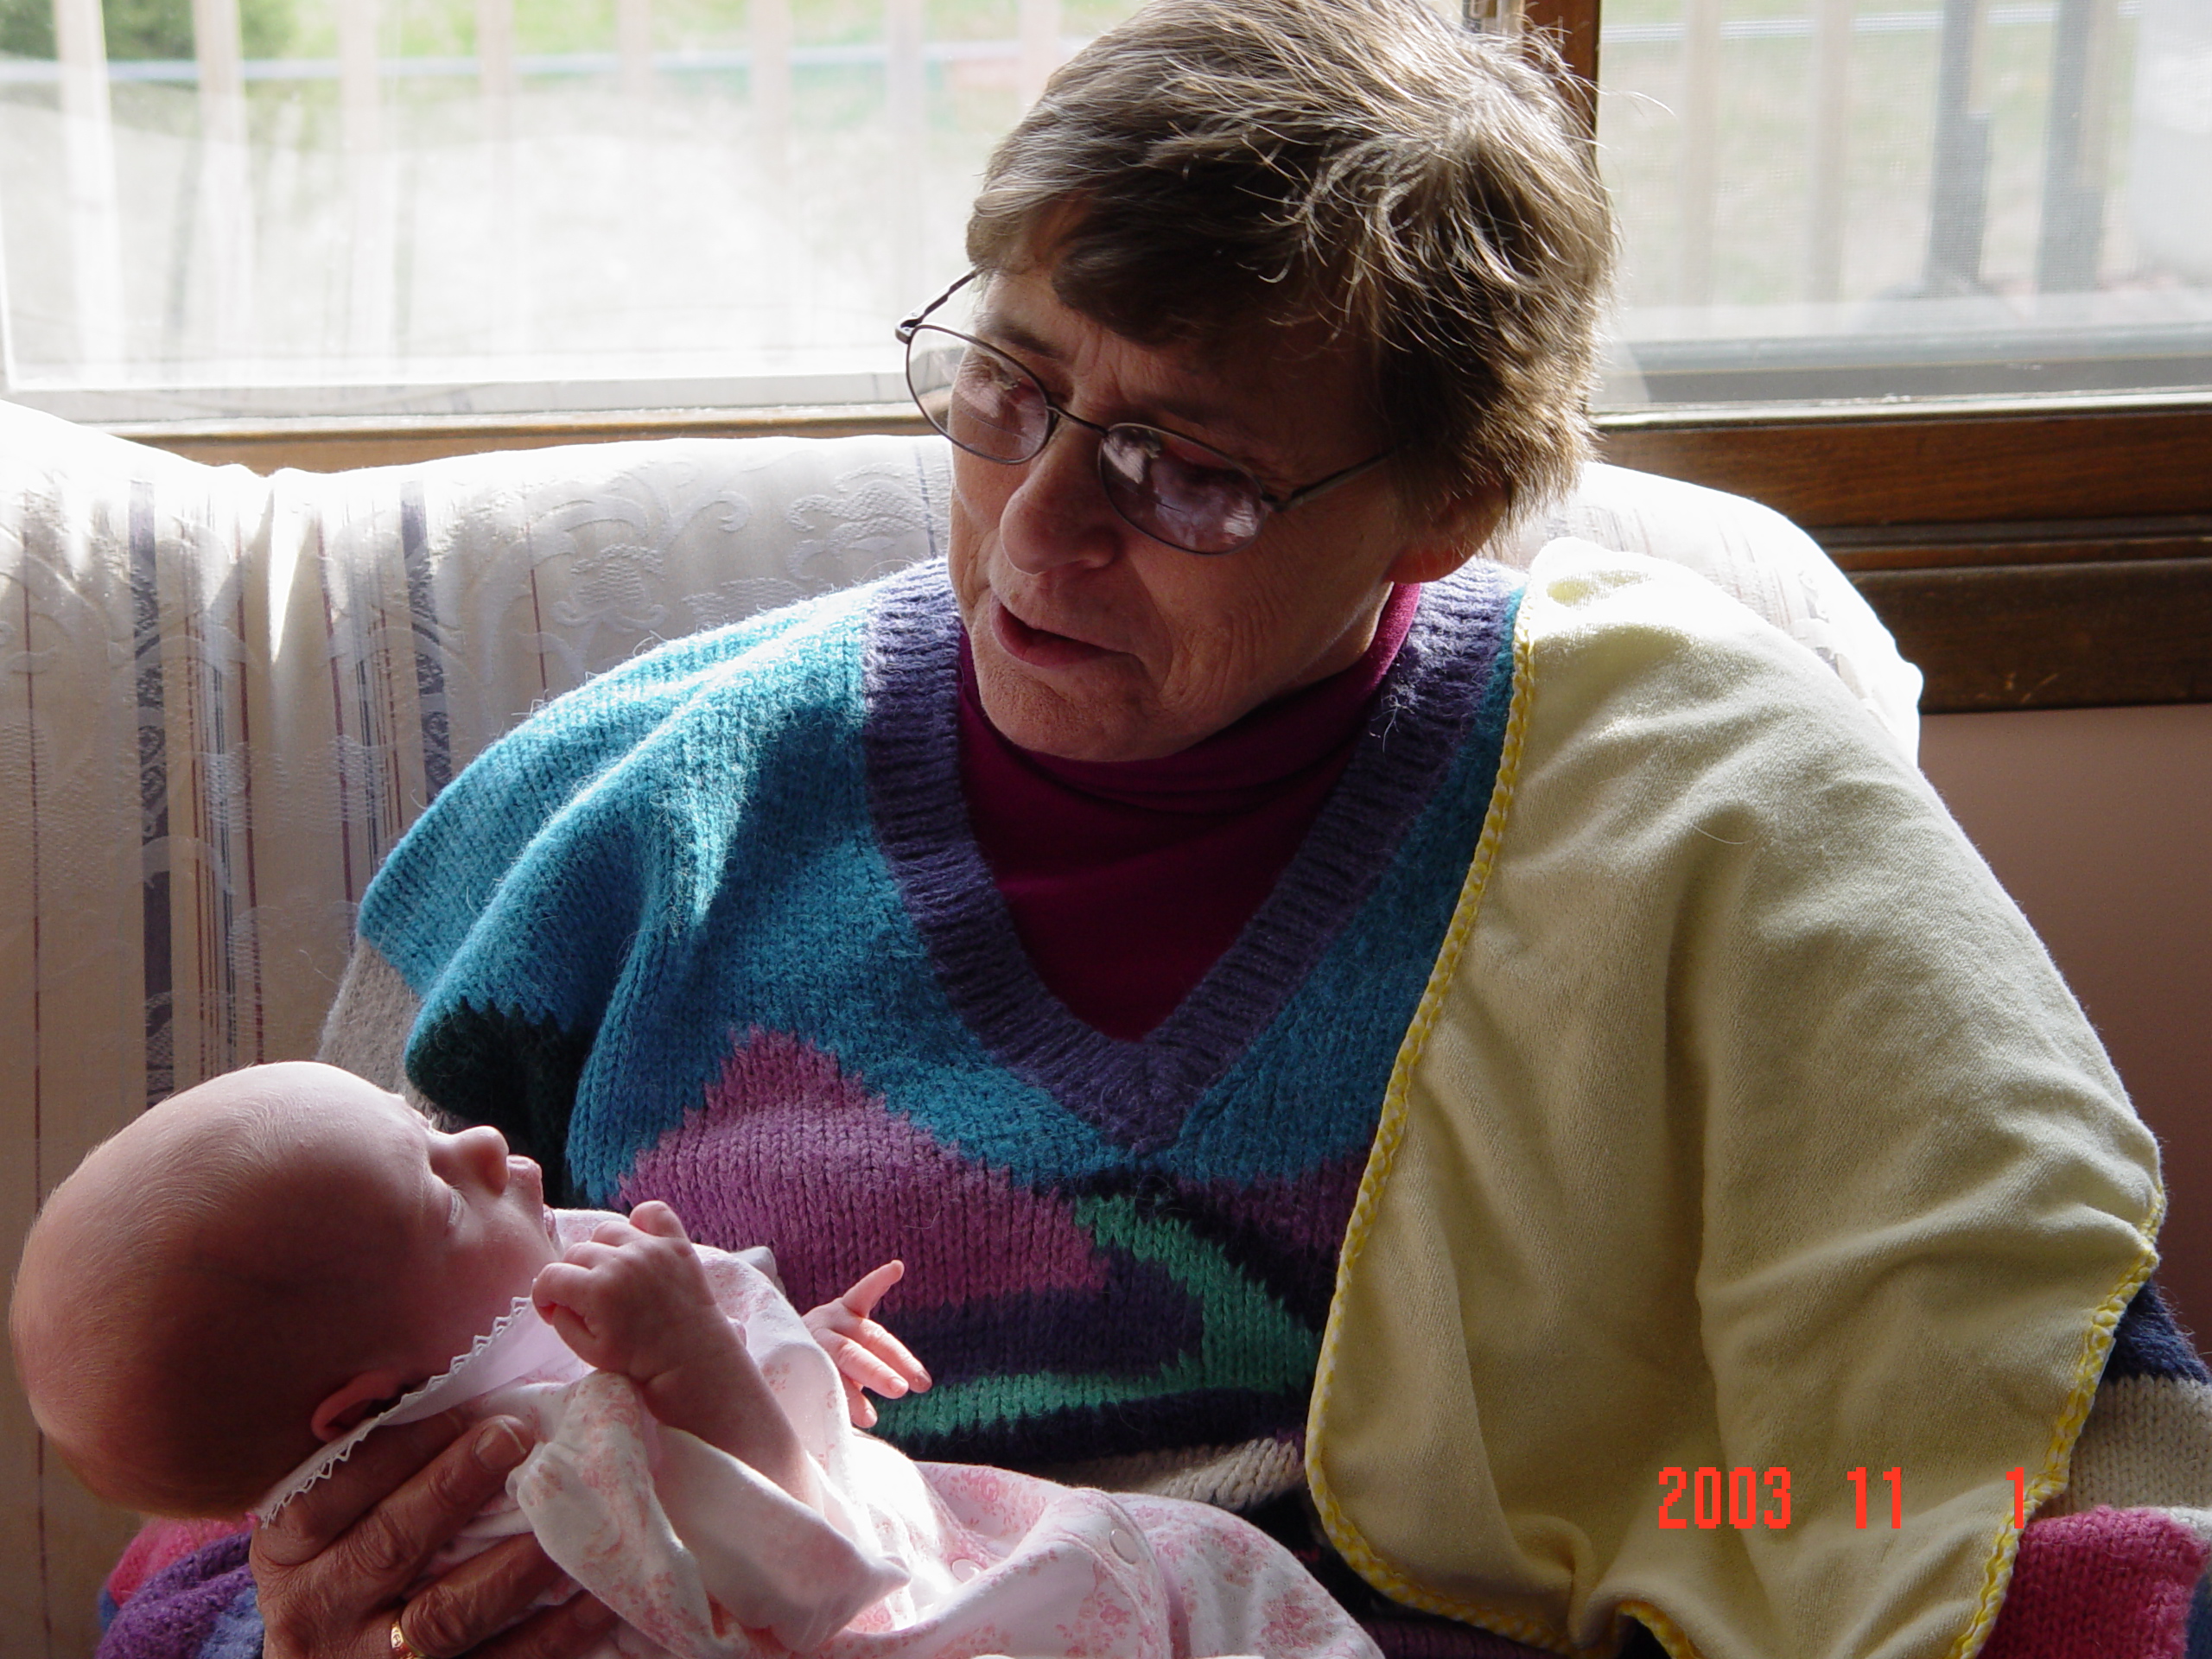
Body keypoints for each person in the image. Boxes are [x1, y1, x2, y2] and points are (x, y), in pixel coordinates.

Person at [93, 1, 2201, 1656]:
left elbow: (2013, 1458)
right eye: (1007, 388)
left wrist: (1744, 1543)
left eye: (1181, 470)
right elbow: (226, 1452)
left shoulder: (1718, 830)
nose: (1036, 525)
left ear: (1443, 507)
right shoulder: (613, 829)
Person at [16, 1062, 1381, 1659]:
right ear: (363, 1404)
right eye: (436, 1175)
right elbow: (791, 1579)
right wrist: (717, 1379)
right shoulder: (522, 1469)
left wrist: (782, 1356)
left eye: (1210, 477)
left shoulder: (459, 1325)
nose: (484, 1142)